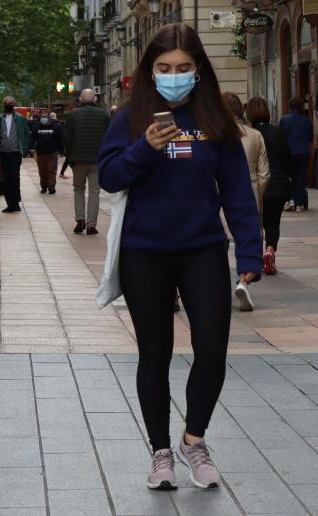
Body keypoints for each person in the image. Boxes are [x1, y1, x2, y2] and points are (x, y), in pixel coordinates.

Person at [98, 24, 262, 491]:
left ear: (198, 70)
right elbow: (109, 177)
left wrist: (250, 248)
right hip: (144, 253)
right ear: (150, 71)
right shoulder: (129, 118)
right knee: (155, 353)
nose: (174, 75)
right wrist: (143, 148)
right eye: (165, 68)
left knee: (212, 349)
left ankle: (194, 439)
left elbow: (236, 190)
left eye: (183, 68)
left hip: (203, 249)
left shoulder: (214, 121)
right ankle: (161, 452)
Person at [222, 92, 269, 311]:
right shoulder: (255, 135)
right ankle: (243, 281)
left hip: (220, 192)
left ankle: (217, 281)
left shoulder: (215, 136)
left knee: (219, 240)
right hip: (249, 190)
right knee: (249, 238)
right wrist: (258, 192)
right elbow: (265, 174)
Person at [247, 96, 293, 276]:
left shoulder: (249, 134)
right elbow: (286, 158)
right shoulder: (277, 132)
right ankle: (270, 250)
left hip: (257, 185)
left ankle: (256, 255)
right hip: (278, 185)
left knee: (256, 223)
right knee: (273, 223)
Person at [65, 89, 110, 234]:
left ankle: (80, 220)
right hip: (97, 159)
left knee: (78, 189)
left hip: (78, 159)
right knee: (94, 192)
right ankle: (91, 225)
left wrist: (69, 156)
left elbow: (68, 139)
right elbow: (109, 138)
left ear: (80, 100)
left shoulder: (72, 115)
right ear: (95, 99)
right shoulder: (104, 115)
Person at [0, 96, 30, 213]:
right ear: (3, 105)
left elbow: (26, 134)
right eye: (6, 103)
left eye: (10, 103)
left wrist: (26, 149)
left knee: (14, 176)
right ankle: (10, 203)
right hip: (3, 153)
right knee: (6, 178)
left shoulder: (20, 119)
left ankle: (15, 202)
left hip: (16, 153)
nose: (8, 105)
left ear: (13, 105)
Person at [279, 97, 313, 211]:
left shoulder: (284, 120)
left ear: (290, 107)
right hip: (303, 153)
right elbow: (310, 137)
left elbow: (281, 137)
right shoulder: (307, 121)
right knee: (301, 178)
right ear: (301, 107)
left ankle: (291, 200)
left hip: (289, 153)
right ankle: (299, 204)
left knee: (290, 177)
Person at [30, 113, 63, 194]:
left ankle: (45, 187)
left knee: (43, 171)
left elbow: (32, 139)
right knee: (50, 171)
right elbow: (61, 139)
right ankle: (49, 187)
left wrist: (31, 148)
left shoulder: (37, 126)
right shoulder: (56, 126)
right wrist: (61, 150)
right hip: (50, 152)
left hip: (43, 152)